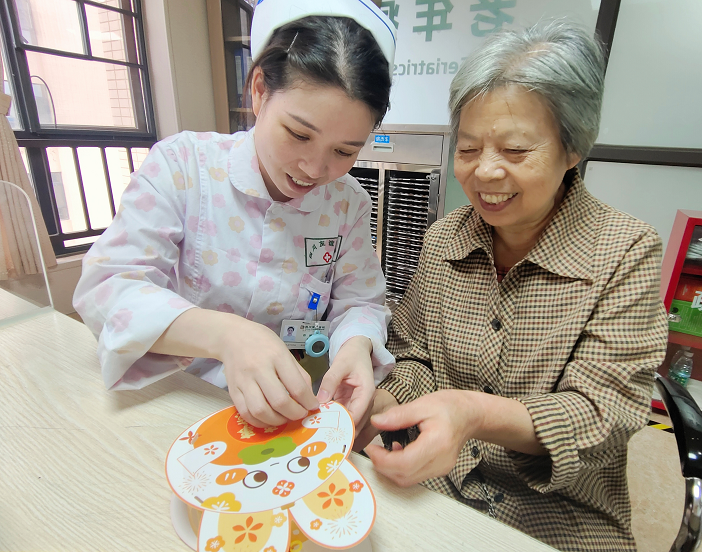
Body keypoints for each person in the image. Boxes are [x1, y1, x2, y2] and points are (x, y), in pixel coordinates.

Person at [355, 21, 668, 552]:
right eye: (469, 148)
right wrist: (376, 401)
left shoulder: (625, 251)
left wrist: (472, 414)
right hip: (438, 479)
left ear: (574, 149)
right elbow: (416, 357)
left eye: (517, 151)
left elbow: (605, 415)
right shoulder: (444, 239)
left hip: (561, 510)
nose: (485, 174)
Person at [73, 0, 397, 429]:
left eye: (344, 151)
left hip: (289, 409)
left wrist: (356, 344)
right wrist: (228, 336)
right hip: (180, 401)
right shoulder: (183, 165)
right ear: (259, 90)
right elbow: (108, 286)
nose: (316, 170)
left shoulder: (347, 201)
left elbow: (359, 301)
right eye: (299, 134)